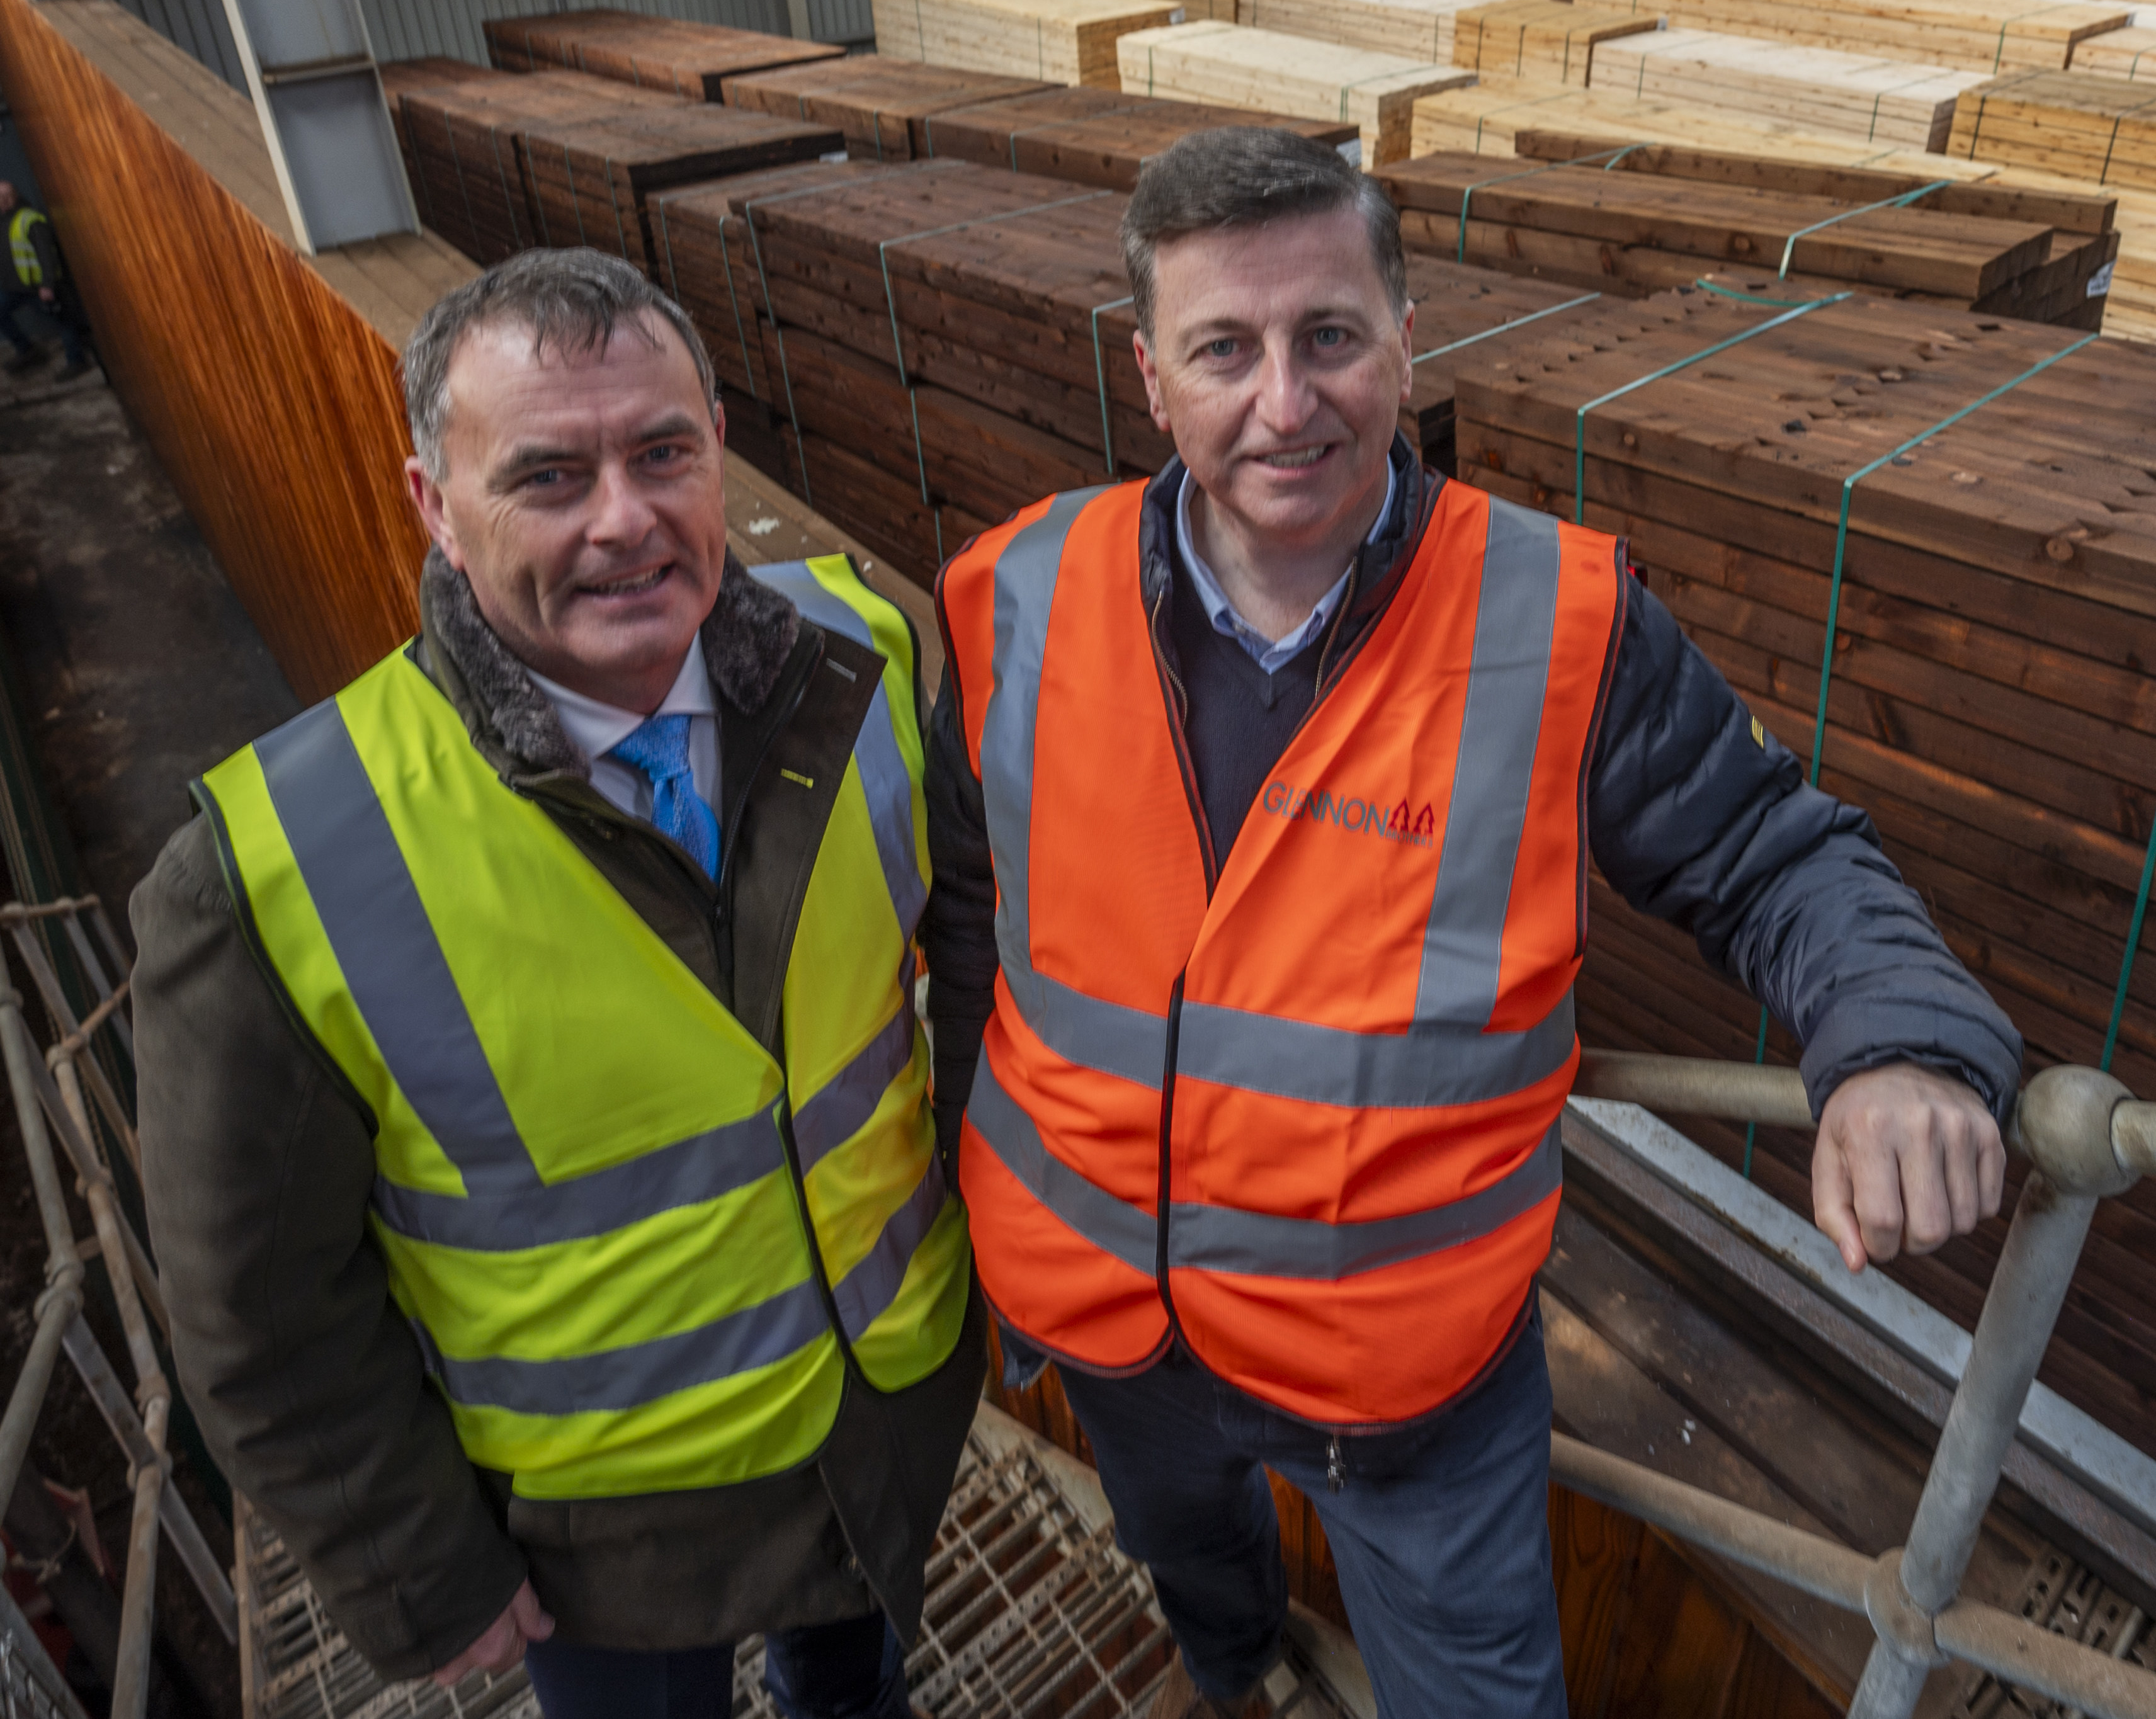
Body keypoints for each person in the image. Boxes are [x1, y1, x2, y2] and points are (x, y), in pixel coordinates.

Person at [922, 128, 2020, 1719]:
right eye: (1225, 348)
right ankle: (1236, 1678)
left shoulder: (1549, 622)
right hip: (1111, 1328)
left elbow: (1775, 856)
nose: (1285, 402)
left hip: (1405, 1393)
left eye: (1330, 337)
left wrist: (1899, 1045)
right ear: (1151, 376)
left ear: (1407, 340)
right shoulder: (1019, 590)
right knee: (1197, 1582)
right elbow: (971, 905)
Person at [131, 247, 981, 1719]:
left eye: (663, 453)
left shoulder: (869, 652)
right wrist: (416, 1568)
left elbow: (973, 963)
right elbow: (258, 1308)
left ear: (719, 445)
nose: (624, 521)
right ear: (431, 506)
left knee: (860, 1692)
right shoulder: (278, 866)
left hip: (882, 1425)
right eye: (545, 476)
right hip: (601, 1544)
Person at [1, 178, 93, 381]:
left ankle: (76, 361)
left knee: (63, 322)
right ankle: (27, 351)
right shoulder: (3, 221)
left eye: (8, 195)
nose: (4, 200)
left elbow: (47, 256)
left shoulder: (30, 220)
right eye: (0, 197)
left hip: (37, 287)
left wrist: (47, 285)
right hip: (15, 288)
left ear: (16, 196)